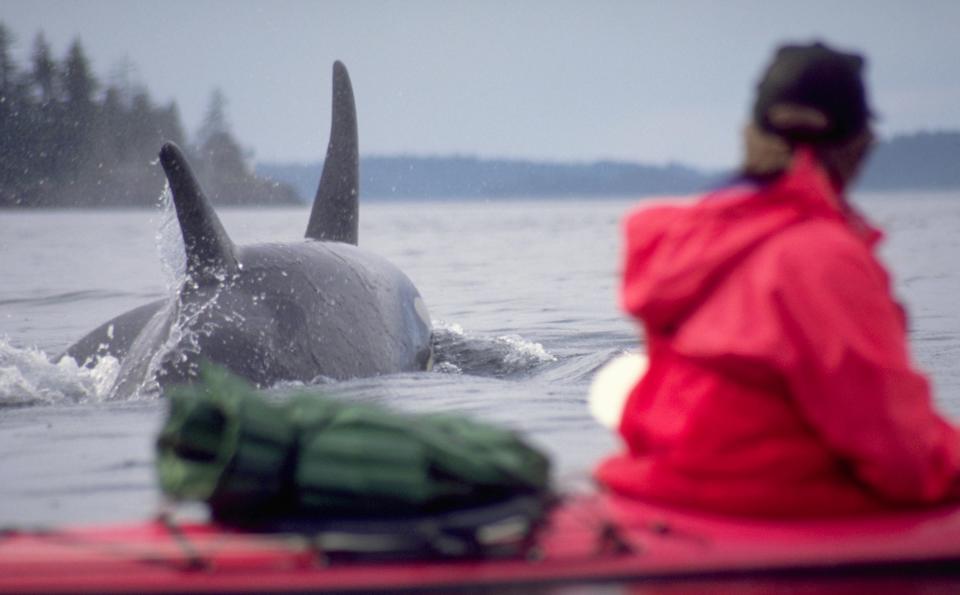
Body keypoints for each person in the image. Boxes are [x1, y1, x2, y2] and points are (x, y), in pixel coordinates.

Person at [594, 42, 960, 517]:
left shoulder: (688, 239)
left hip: (665, 485)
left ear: (751, 133)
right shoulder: (819, 256)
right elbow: (898, 454)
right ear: (860, 142)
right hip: (766, 503)